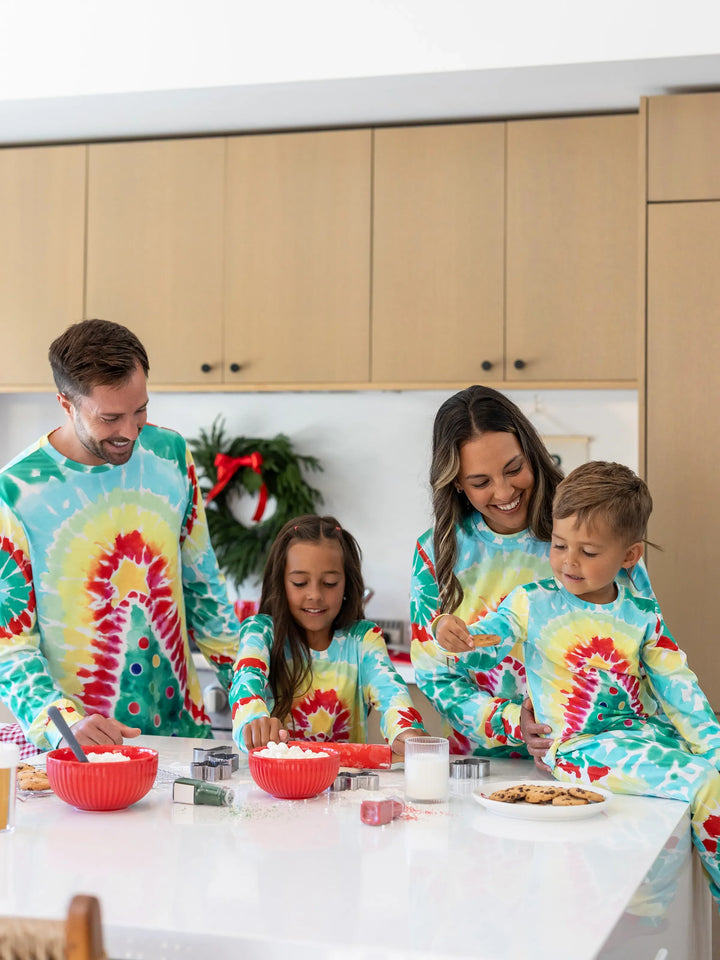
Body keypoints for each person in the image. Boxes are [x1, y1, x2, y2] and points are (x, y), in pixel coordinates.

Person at [435, 461, 720, 902]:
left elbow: (677, 685)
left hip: (638, 736)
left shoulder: (642, 613)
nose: (568, 562)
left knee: (712, 769)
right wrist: (453, 635)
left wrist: (714, 748)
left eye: (588, 552)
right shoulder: (532, 602)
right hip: (575, 750)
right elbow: (485, 643)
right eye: (560, 545)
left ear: (629, 556)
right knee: (705, 785)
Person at [0, 319, 240, 754]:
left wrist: (250, 694)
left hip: (185, 740)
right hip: (78, 754)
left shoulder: (171, 455)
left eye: (140, 410)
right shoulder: (14, 493)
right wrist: (62, 725)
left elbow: (203, 588)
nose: (129, 432)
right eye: (110, 418)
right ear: (66, 404)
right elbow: (10, 648)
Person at [410, 385, 653, 760]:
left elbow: (647, 645)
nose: (505, 491)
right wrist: (513, 723)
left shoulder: (590, 526)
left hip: (600, 754)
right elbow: (434, 675)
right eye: (480, 482)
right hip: (483, 766)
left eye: (514, 469)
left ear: (532, 455)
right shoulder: (435, 553)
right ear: (456, 481)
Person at [230, 514, 427, 755]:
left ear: (347, 584)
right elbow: (246, 679)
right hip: (276, 787)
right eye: (300, 583)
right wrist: (253, 721)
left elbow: (392, 694)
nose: (315, 594)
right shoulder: (260, 632)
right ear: (280, 583)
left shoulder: (364, 640)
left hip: (346, 785)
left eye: (330, 583)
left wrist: (405, 732)